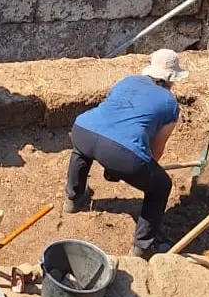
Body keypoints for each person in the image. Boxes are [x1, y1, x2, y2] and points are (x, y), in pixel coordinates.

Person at [64, 48, 187, 258]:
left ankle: (72, 199)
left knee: (82, 151)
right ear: (171, 78)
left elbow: (110, 117)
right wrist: (130, 169)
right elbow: (156, 149)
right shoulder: (169, 103)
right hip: (120, 152)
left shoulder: (127, 80)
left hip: (83, 130)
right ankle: (143, 246)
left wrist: (115, 164)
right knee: (161, 186)